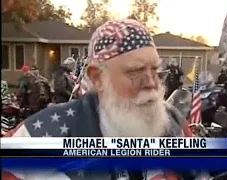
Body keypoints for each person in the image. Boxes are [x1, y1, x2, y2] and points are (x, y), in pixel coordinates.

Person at [3, 19, 192, 180]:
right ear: (98, 77)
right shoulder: (42, 135)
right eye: (135, 72)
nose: (151, 83)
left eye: (156, 70)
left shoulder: (174, 125)